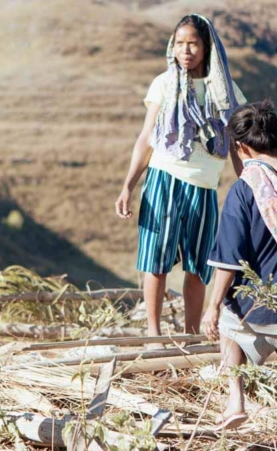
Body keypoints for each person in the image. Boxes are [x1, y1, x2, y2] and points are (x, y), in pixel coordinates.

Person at [115, 14, 247, 345]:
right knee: (156, 260)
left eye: (192, 43)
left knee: (199, 267)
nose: (185, 50)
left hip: (203, 189)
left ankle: (191, 338)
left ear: (206, 47)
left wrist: (251, 186)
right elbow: (147, 138)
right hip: (163, 180)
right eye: (179, 43)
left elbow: (237, 145)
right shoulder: (163, 84)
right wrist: (128, 185)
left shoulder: (226, 92)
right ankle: (154, 335)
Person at [203, 100, 277, 430]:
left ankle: (236, 399)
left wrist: (213, 306)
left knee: (228, 319)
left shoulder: (244, 190)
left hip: (260, 312)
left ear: (240, 146)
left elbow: (227, 261)